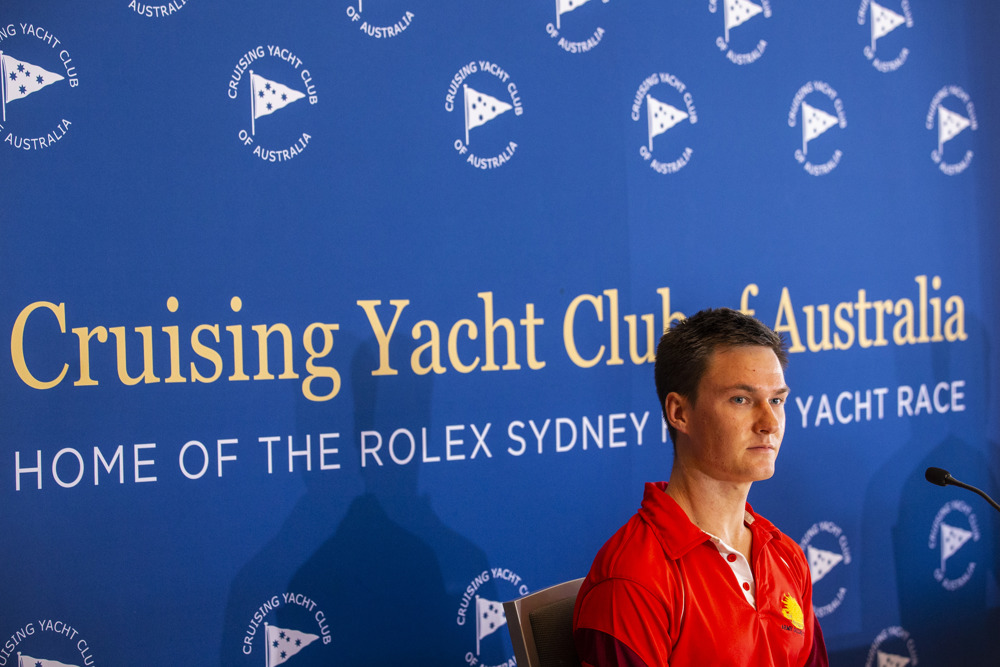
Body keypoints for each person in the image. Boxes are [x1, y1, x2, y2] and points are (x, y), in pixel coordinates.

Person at [573, 308, 828, 666]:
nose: (769, 423)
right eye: (740, 399)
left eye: (776, 400)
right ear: (679, 413)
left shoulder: (786, 555)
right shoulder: (633, 579)